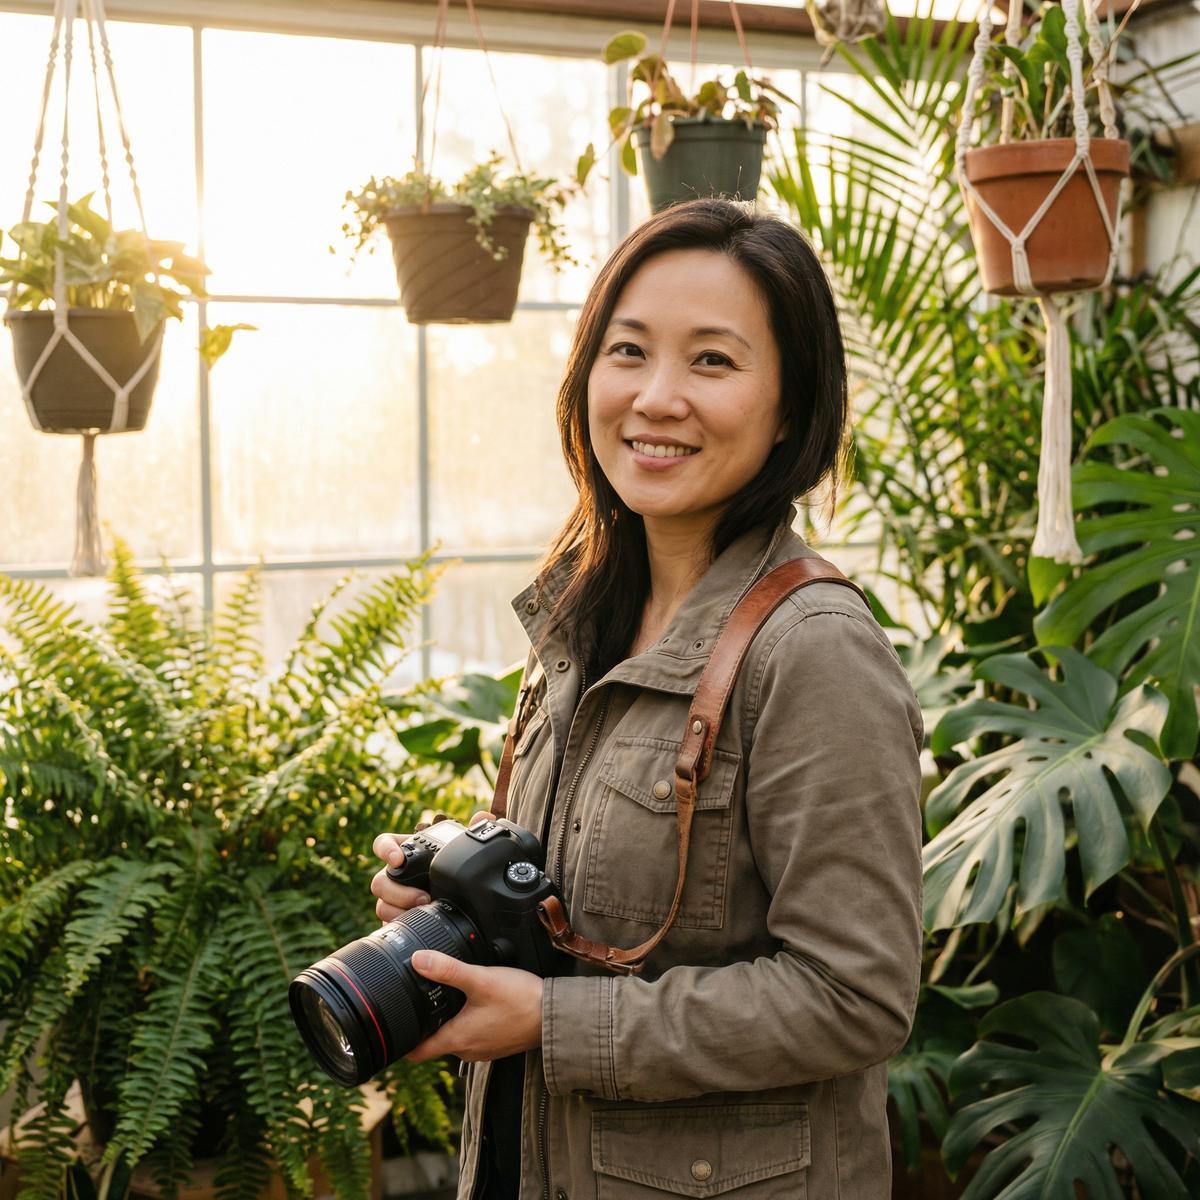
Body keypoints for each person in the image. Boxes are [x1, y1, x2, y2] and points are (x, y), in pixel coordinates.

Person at [371, 198, 924, 1200]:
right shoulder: (584, 617)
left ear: (791, 407)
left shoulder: (815, 655)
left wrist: (555, 1022)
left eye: (712, 361)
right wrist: (459, 908)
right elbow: (595, 915)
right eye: (627, 351)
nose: (656, 397)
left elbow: (856, 996)